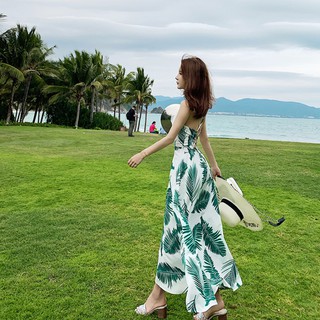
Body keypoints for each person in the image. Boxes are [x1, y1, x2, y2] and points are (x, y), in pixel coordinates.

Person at [128, 55, 242, 320]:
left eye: (180, 73)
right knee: (195, 232)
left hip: (184, 172)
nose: (176, 77)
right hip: (199, 170)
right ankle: (191, 299)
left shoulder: (185, 104)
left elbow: (170, 138)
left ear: (189, 78)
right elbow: (205, 140)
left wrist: (142, 154)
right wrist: (214, 167)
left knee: (182, 233)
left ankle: (203, 301)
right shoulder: (201, 105)